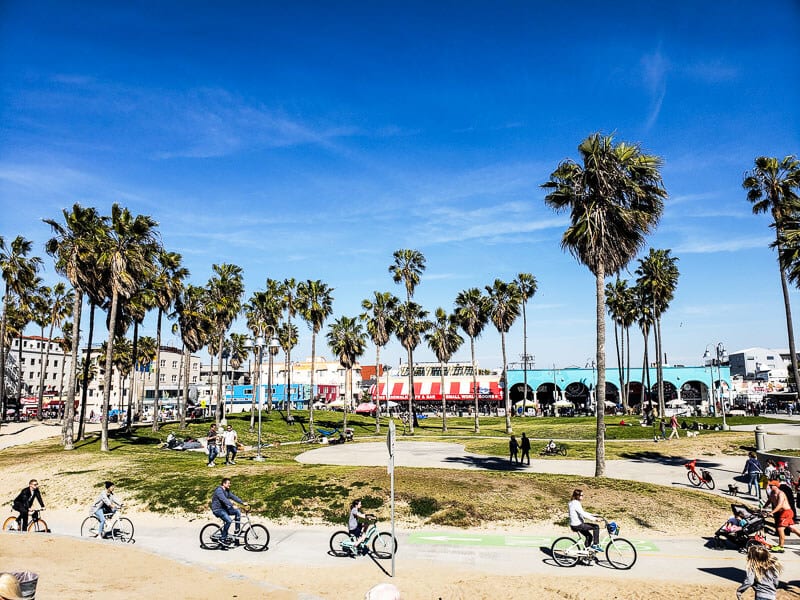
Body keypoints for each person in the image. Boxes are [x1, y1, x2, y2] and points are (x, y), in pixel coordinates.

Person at [765, 480, 800, 552]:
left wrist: (772, 512)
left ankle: (781, 546)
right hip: (783, 513)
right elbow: (769, 501)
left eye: (772, 485)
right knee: (792, 528)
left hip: (786, 513)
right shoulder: (772, 493)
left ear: (776, 486)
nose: (770, 486)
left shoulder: (781, 493)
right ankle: (780, 546)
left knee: (780, 529)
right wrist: (763, 507)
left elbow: (780, 505)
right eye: (770, 485)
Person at [210, 477, 247, 544]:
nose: (230, 485)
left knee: (237, 511)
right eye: (228, 483)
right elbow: (224, 499)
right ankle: (223, 538)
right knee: (229, 520)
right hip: (217, 509)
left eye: (230, 483)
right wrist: (232, 505)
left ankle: (237, 530)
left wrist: (242, 502)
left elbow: (233, 497)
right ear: (224, 484)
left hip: (224, 509)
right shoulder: (219, 490)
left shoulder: (227, 491)